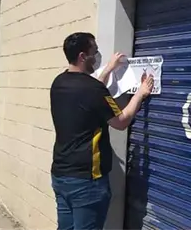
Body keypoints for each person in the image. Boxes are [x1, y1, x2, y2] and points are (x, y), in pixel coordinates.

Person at [50, 32, 154, 230]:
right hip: (86, 182)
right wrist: (140, 94)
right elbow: (121, 122)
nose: (97, 56)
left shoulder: (59, 82)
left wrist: (108, 69)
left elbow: (90, 93)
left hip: (61, 175)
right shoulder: (92, 89)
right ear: (83, 56)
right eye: (95, 51)